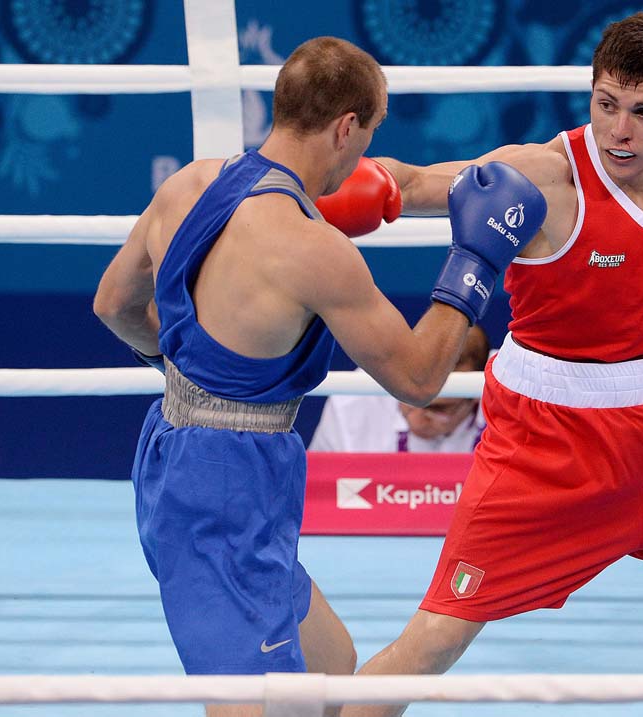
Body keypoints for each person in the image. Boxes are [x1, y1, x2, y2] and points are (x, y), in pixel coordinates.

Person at [327, 13, 643, 717]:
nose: (620, 130)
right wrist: (315, 190)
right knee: (432, 642)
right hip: (545, 450)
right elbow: (408, 184)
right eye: (606, 105)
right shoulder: (545, 178)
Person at [92, 36, 546, 717]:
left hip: (180, 458)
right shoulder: (314, 252)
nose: (363, 156)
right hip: (224, 495)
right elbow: (421, 378)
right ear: (345, 129)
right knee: (261, 705)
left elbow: (115, 305)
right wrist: (476, 259)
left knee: (330, 669)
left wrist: (193, 375)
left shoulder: (187, 185)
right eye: (366, 137)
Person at [309, 325, 490, 453]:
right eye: (410, 399)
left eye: (438, 409)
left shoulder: (504, 388)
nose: (419, 417)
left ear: (475, 397)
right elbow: (316, 492)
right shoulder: (353, 400)